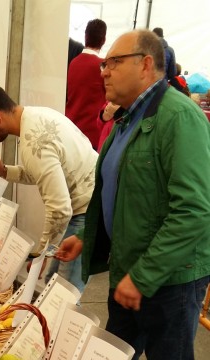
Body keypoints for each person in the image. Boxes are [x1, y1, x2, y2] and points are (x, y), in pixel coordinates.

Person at [56, 29, 210, 359]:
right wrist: (87, 235)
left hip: (169, 280)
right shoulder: (128, 117)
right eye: (104, 63)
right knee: (112, 352)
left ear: (146, 64)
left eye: (114, 62)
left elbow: (194, 210)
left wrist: (143, 277)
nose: (104, 70)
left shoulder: (180, 118)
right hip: (130, 271)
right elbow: (126, 195)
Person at [0, 81, 98, 294]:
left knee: (61, 298)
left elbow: (59, 208)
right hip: (87, 204)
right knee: (51, 288)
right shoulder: (35, 116)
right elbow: (40, 172)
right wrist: (4, 171)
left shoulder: (33, 141)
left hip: (85, 211)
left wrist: (42, 254)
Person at [66, 19, 107, 148]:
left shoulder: (73, 63)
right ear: (104, 40)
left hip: (71, 129)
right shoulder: (103, 66)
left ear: (85, 36)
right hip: (92, 135)